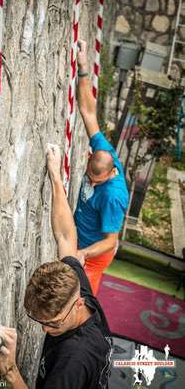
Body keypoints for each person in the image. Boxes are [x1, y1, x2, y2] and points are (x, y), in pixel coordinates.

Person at [0, 145, 112, 388]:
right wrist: (55, 176)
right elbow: (65, 236)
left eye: (54, 323)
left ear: (78, 304)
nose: (45, 329)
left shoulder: (73, 361)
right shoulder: (74, 287)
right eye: (39, 320)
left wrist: (10, 371)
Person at [74, 39, 129, 295]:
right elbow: (87, 112)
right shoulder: (103, 149)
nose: (93, 184)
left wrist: (83, 253)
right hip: (78, 240)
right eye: (90, 178)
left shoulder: (112, 196)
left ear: (111, 172)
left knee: (82, 300)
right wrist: (83, 66)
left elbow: (111, 241)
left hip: (93, 256)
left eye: (98, 181)